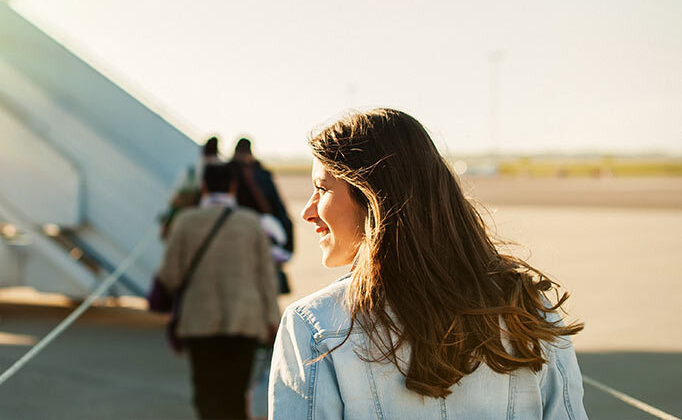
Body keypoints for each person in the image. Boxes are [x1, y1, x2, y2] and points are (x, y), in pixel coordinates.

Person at [269, 108, 587, 419]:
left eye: (322, 188)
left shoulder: (316, 326)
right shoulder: (528, 311)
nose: (307, 211)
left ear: (373, 196)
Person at [158, 162, 280, 420]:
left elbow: (170, 275)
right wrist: (272, 320)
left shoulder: (186, 222)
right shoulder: (251, 223)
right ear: (233, 187)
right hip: (244, 320)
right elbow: (266, 278)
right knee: (235, 393)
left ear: (203, 187)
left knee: (206, 392)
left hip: (200, 321)